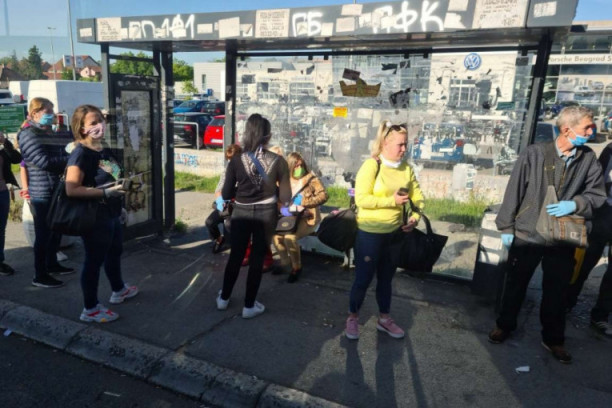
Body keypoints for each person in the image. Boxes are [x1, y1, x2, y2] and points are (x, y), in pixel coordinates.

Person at [489, 106, 606, 364]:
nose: (592, 131)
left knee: (557, 291)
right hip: (528, 233)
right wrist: (506, 227)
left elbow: (597, 195)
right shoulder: (535, 153)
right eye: (587, 127)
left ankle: (553, 339)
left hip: (562, 237)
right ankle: (504, 325)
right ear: (567, 130)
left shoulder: (588, 159)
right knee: (516, 284)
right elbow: (514, 190)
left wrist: (575, 204)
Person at [345, 120, 424, 340]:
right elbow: (361, 199)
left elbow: (418, 197)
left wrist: (415, 218)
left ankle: (384, 319)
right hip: (369, 234)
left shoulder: (406, 168)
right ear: (385, 143)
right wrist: (392, 201)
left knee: (386, 280)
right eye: (400, 144)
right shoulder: (372, 165)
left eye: (406, 144)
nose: (404, 149)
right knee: (363, 279)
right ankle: (353, 317)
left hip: (395, 234)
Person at [65, 104, 138, 323]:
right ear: (82, 128)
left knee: (114, 251)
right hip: (94, 216)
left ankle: (118, 289)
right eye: (93, 122)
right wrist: (105, 192)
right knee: (94, 261)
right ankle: (90, 308)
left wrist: (120, 194)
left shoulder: (101, 149)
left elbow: (112, 175)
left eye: (101, 120)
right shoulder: (81, 154)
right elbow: (71, 189)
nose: (100, 125)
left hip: (111, 212)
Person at [216, 114, 290, 319]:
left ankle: (223, 299)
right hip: (266, 214)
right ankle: (249, 306)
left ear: (246, 134)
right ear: (269, 136)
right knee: (257, 258)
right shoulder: (279, 161)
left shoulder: (236, 160)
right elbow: (286, 196)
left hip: (241, 212)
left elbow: (225, 193)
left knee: (236, 255)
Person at [17, 97, 74, 288]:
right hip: (41, 192)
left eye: (52, 110)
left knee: (54, 231)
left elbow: (63, 149)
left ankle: (52, 264)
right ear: (35, 113)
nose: (52, 114)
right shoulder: (29, 134)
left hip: (54, 188)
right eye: (48, 111)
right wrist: (70, 159)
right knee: (43, 234)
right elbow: (44, 162)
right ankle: (40, 275)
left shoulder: (46, 131)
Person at [566, 141, 612, 337]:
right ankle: (567, 303)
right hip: (603, 214)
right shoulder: (610, 150)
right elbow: (597, 183)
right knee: (584, 262)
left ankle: (600, 316)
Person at [272, 152, 328, 282]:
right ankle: (285, 262)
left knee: (289, 238)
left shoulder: (311, 179)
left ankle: (296, 267)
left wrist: (305, 203)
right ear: (290, 166)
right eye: (296, 166)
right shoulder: (283, 180)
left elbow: (324, 196)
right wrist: (283, 209)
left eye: (301, 165)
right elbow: (277, 199)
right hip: (289, 218)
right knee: (276, 237)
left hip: (307, 218)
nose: (299, 168)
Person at [206, 144, 242, 253]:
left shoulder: (244, 171)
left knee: (229, 224)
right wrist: (219, 201)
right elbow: (218, 189)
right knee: (209, 222)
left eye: (232, 159)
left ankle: (238, 246)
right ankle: (219, 239)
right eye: (228, 159)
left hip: (239, 206)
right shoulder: (226, 171)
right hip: (226, 204)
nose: (230, 161)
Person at [0, 131, 22, 276]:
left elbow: (17, 159)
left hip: (2, 193)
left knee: (1, 229)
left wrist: (5, 142)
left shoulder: (2, 150)